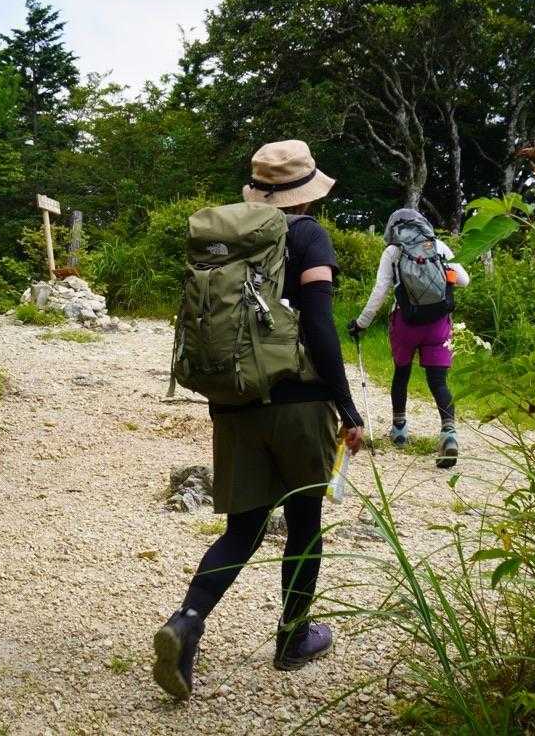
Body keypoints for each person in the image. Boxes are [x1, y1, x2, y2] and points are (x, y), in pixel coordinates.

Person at [152, 140, 366, 700]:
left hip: (235, 401)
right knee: (304, 522)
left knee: (243, 531)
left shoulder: (228, 240)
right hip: (298, 404)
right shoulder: (308, 236)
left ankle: (187, 621)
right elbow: (319, 325)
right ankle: (293, 638)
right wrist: (347, 408)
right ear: (307, 192)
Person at [348, 208, 470, 467]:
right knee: (438, 381)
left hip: (406, 322)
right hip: (438, 323)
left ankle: (399, 429)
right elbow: (464, 280)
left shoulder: (393, 252)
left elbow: (380, 290)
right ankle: (448, 433)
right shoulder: (437, 246)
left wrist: (361, 323)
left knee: (401, 373)